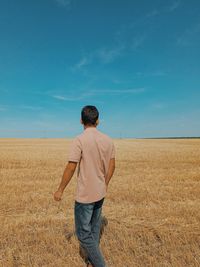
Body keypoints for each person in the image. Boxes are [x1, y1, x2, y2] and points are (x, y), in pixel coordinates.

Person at [54, 105, 116, 267]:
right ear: (98, 121)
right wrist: (105, 183)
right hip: (100, 192)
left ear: (81, 120)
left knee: (82, 234)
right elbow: (112, 165)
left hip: (85, 195)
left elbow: (71, 166)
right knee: (94, 230)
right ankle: (91, 261)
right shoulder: (108, 140)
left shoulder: (79, 140)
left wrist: (60, 189)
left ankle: (100, 264)